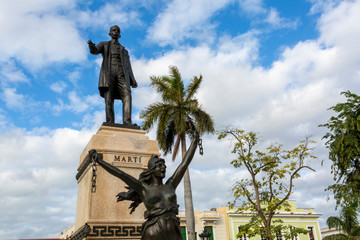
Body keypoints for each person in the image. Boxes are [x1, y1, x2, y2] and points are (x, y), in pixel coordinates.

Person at [91, 132, 199, 240]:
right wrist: (99, 161)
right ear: (151, 170)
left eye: (164, 165)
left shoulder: (171, 184)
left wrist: (195, 141)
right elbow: (121, 174)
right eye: (159, 166)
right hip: (154, 229)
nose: (163, 167)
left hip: (173, 228)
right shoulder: (144, 188)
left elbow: (184, 164)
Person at [88, 25, 137, 124]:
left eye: (117, 30)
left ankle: (127, 122)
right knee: (109, 99)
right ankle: (110, 121)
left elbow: (128, 66)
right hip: (109, 73)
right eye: (113, 30)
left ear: (119, 35)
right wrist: (91, 46)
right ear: (110, 34)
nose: (115, 32)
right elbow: (95, 51)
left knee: (127, 96)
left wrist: (133, 79)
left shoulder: (124, 51)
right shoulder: (104, 44)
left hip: (122, 74)